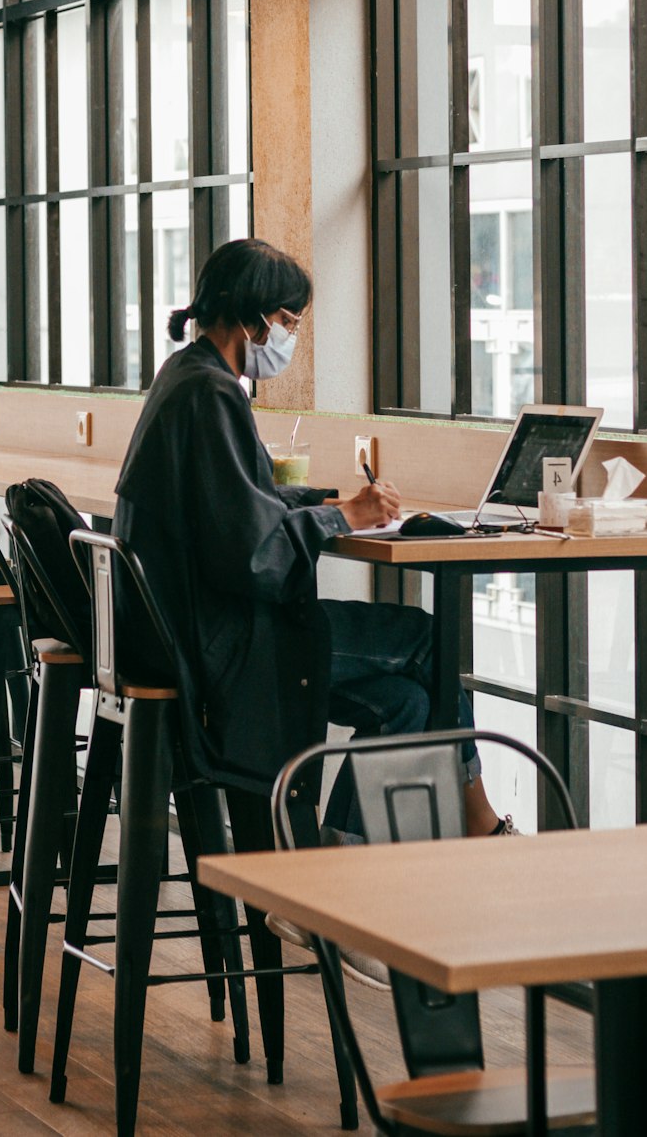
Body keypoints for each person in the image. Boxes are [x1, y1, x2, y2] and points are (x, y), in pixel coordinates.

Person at [112, 236, 514, 845]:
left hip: (185, 630)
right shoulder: (212, 394)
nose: (290, 338)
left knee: (405, 705)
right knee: (427, 640)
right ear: (253, 317)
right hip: (223, 644)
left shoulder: (185, 376)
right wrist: (342, 518)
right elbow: (254, 555)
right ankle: (482, 823)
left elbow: (232, 503)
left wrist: (319, 503)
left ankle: (336, 863)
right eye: (289, 322)